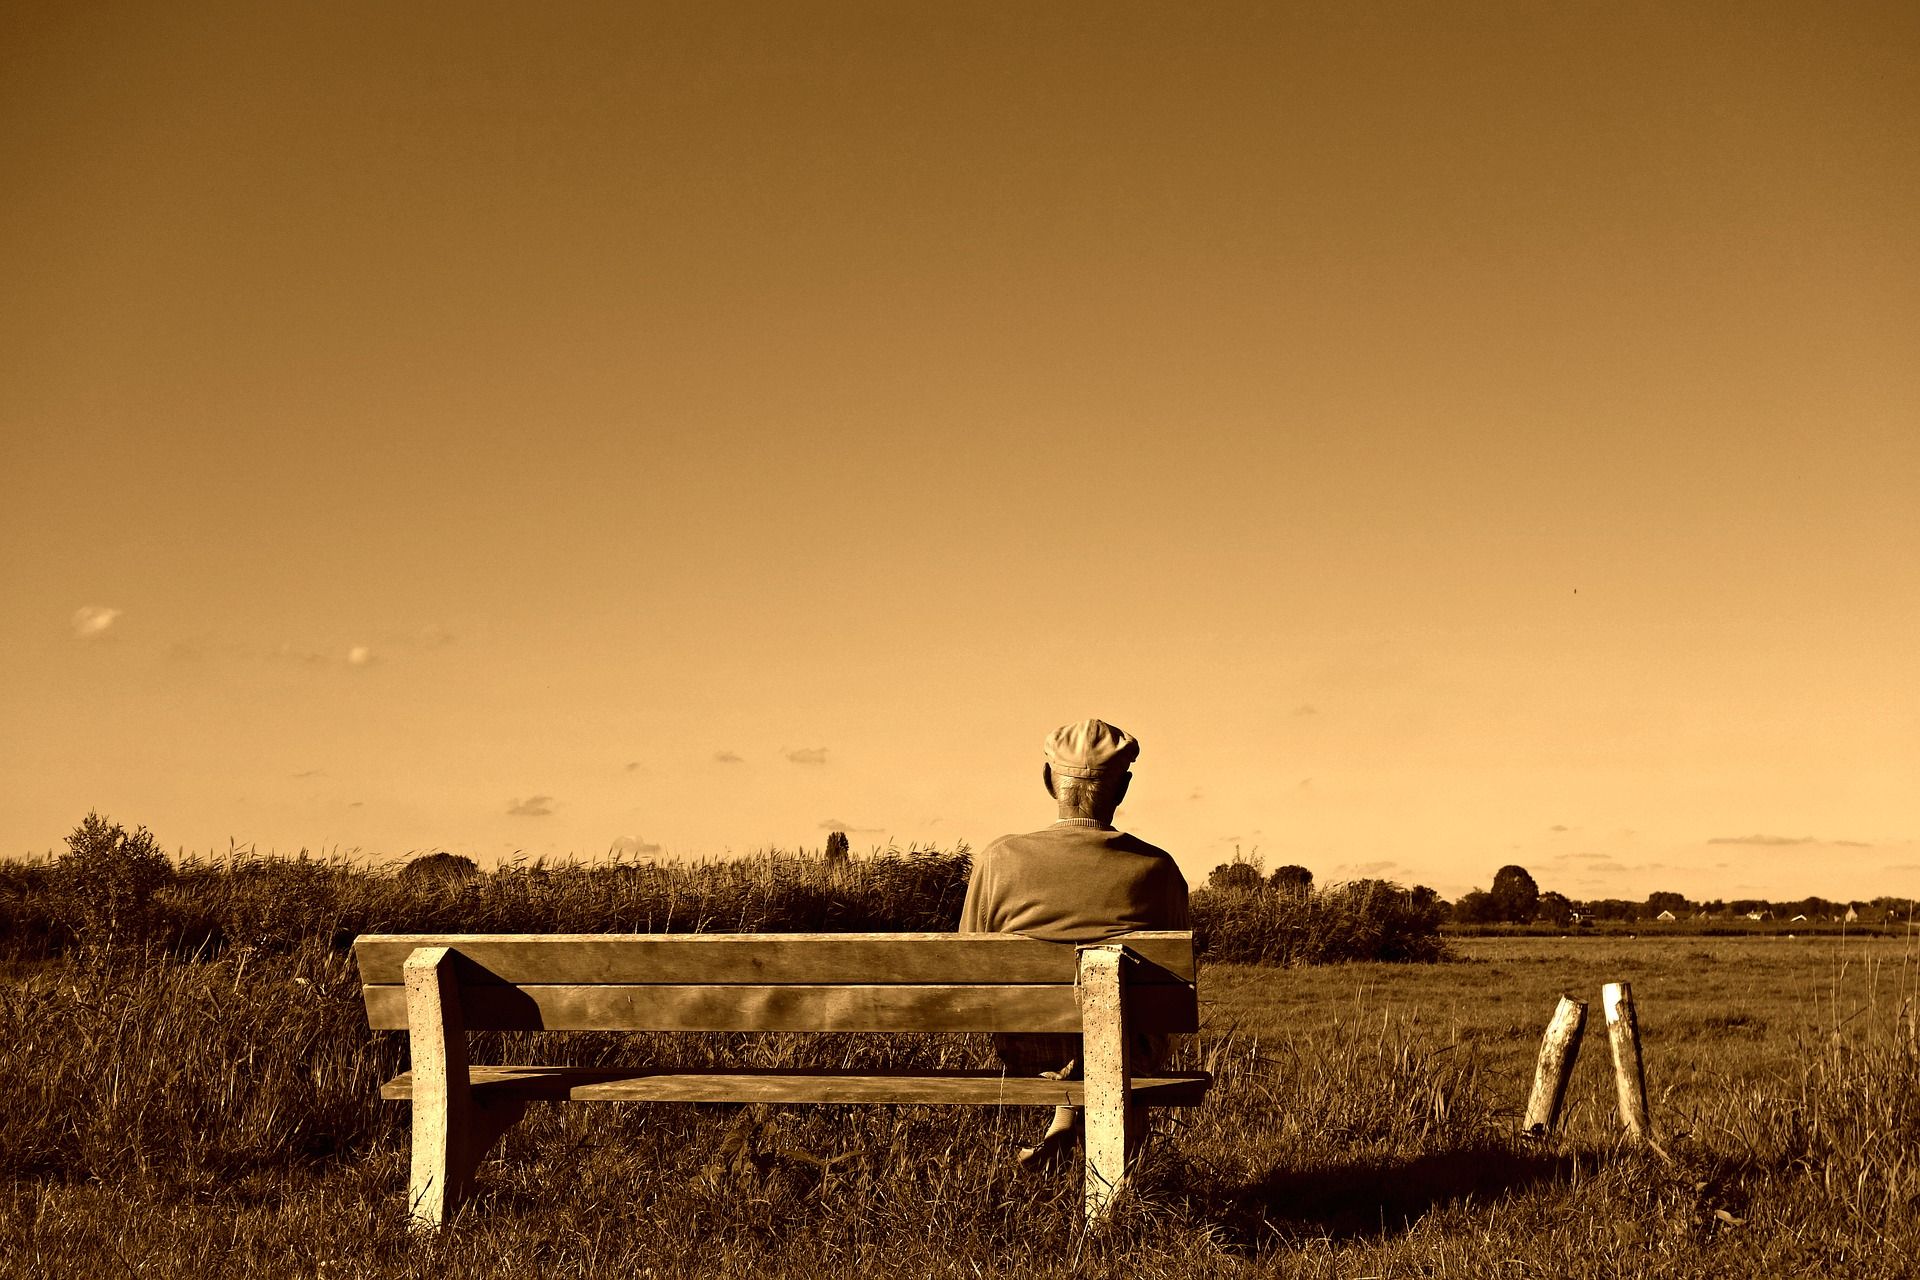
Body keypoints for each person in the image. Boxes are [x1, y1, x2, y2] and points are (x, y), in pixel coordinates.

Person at [959, 718, 1190, 1169]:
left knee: (1071, 1030)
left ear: (1049, 781)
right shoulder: (1157, 869)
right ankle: (1121, 1191)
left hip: (1027, 1049)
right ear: (1122, 788)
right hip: (1129, 1048)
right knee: (1124, 1027)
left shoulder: (999, 860)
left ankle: (1063, 1127)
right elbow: (1176, 981)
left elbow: (967, 963)